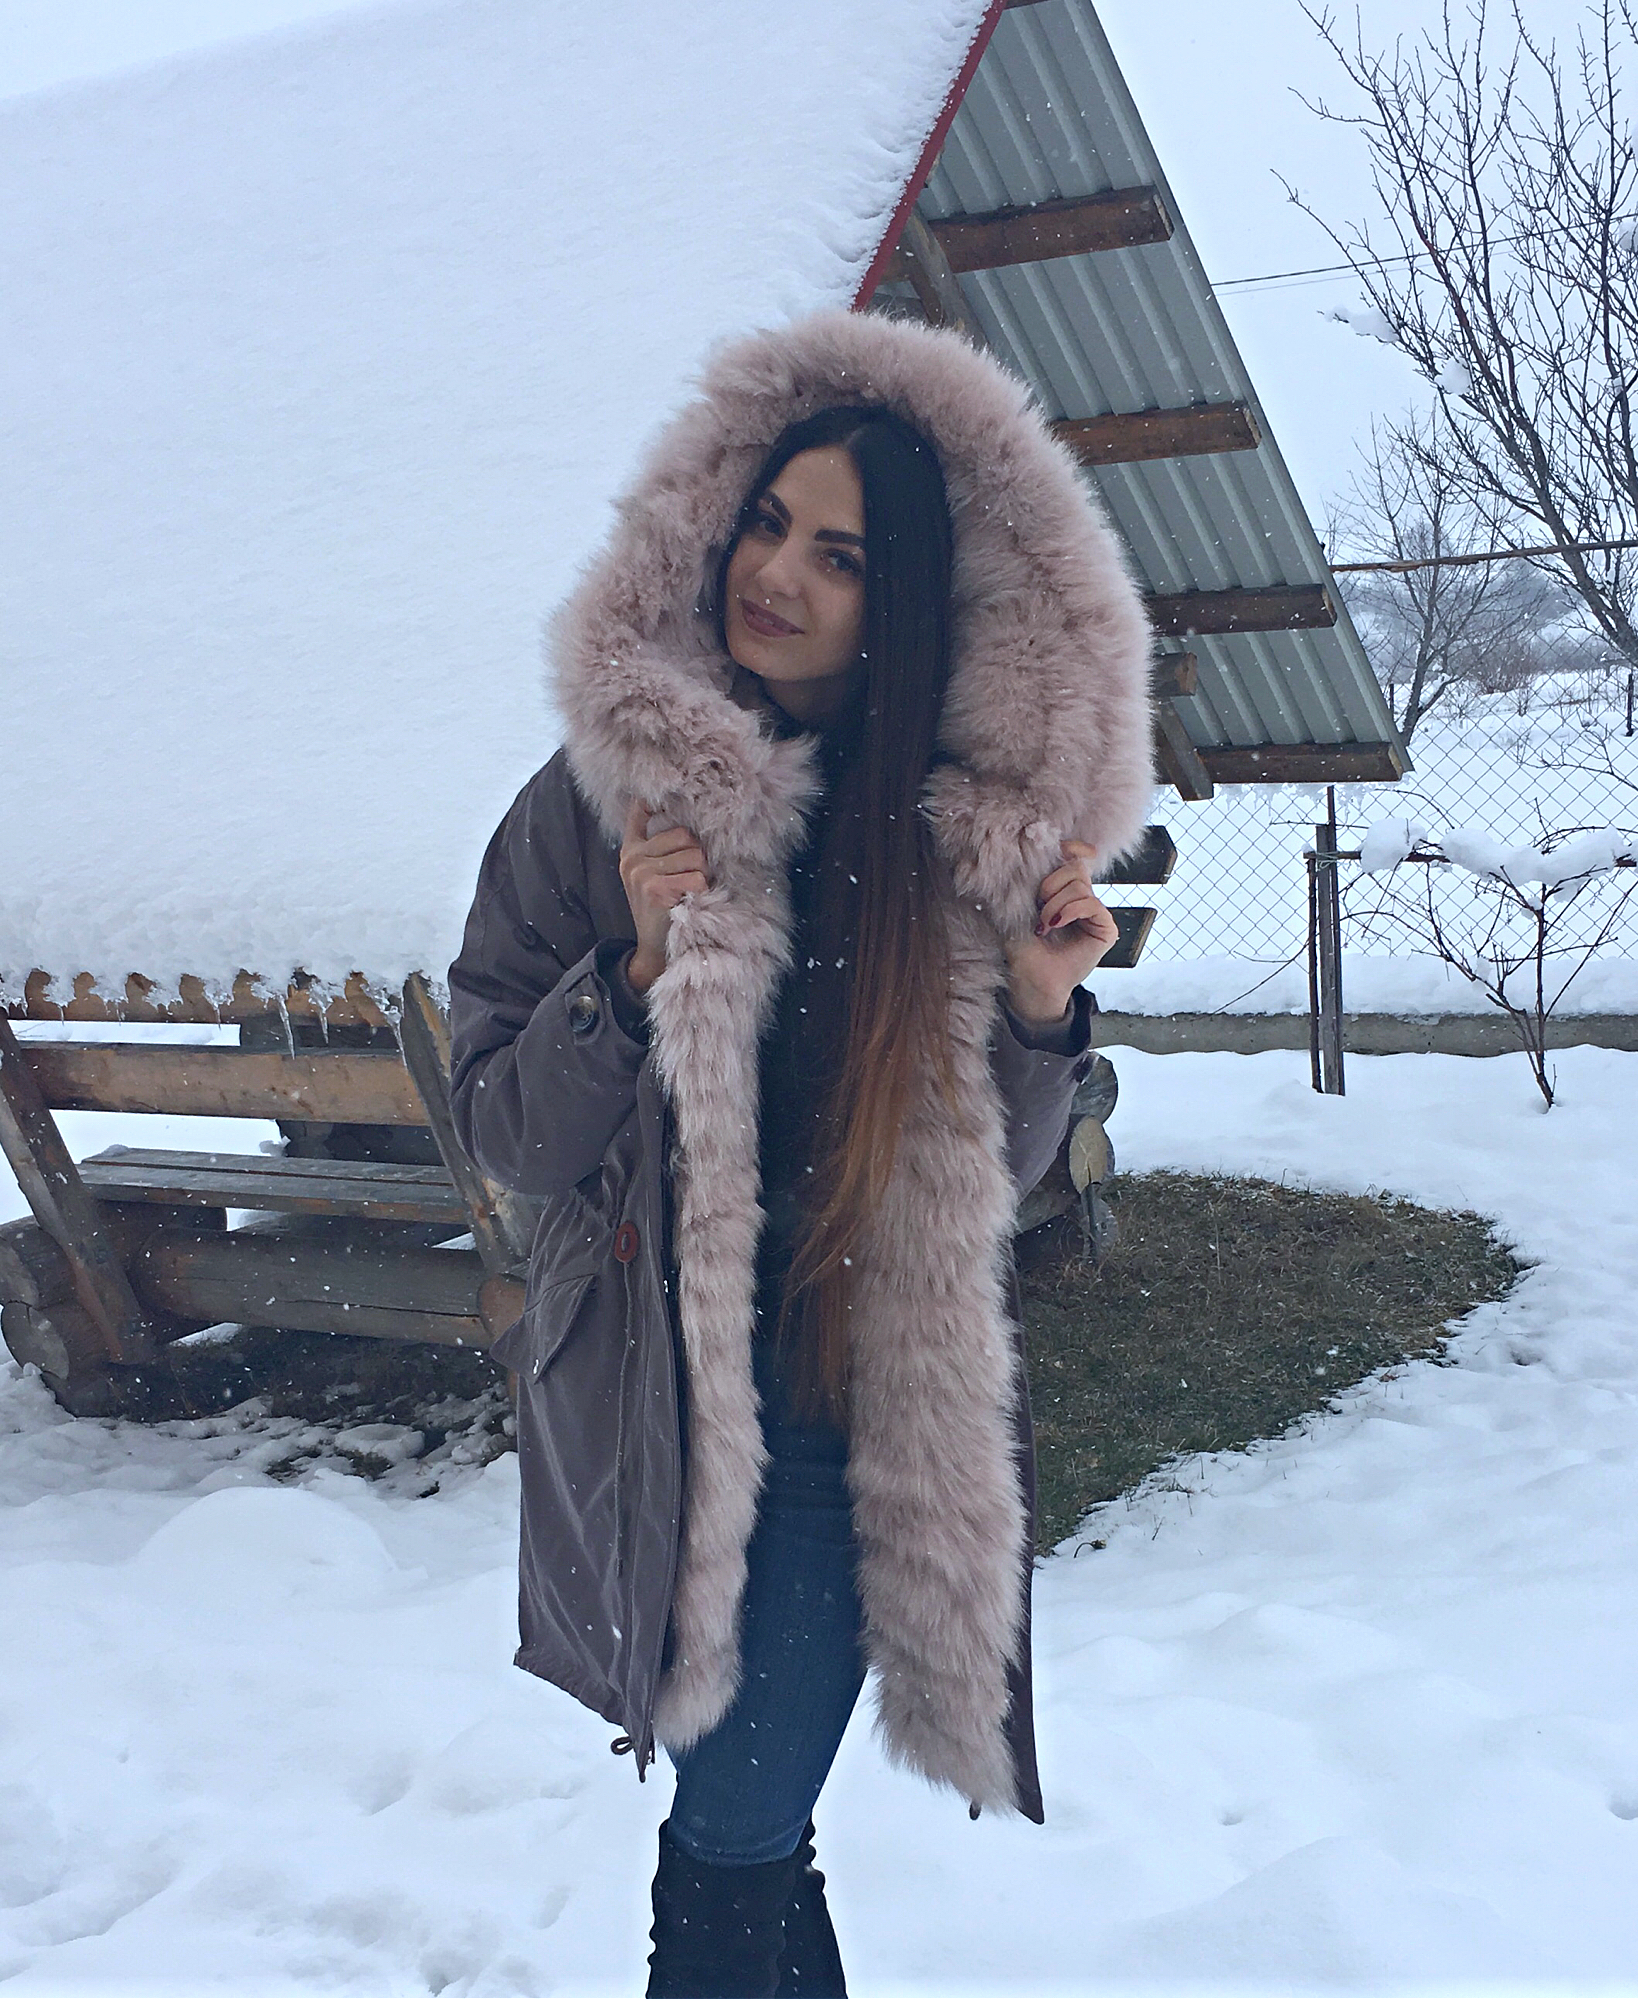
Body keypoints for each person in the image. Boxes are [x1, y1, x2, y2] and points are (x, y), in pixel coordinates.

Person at [447, 308, 1152, 1998]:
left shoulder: (950, 842)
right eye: (765, 524)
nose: (777, 574)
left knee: (739, 1828)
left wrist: (1039, 1013)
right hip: (663, 1407)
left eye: (838, 555)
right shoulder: (599, 805)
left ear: (902, 599)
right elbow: (502, 1129)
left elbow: (983, 1188)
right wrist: (629, 973)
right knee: (750, 1830)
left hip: (851, 1408)